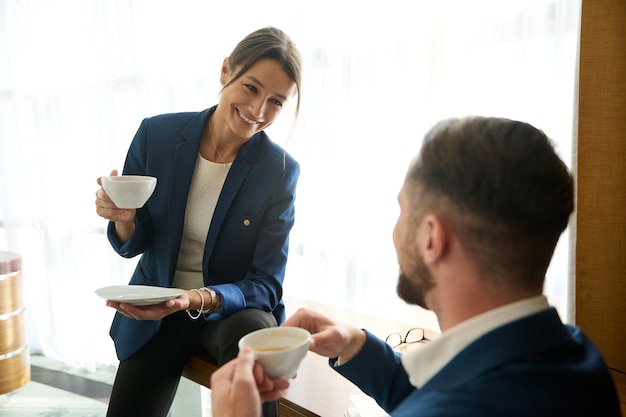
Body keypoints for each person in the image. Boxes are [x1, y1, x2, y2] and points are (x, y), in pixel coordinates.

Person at [210, 116, 623, 417]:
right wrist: (357, 345)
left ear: (431, 237)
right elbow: (447, 396)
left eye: (402, 210)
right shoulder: (580, 360)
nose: (394, 231)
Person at [94, 26, 302, 417]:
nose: (257, 111)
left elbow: (266, 284)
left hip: (227, 315)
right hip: (158, 309)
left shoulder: (279, 171)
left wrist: (197, 298)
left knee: (255, 332)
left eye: (275, 101)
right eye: (252, 88)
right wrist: (124, 219)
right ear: (226, 71)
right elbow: (134, 242)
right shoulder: (156, 134)